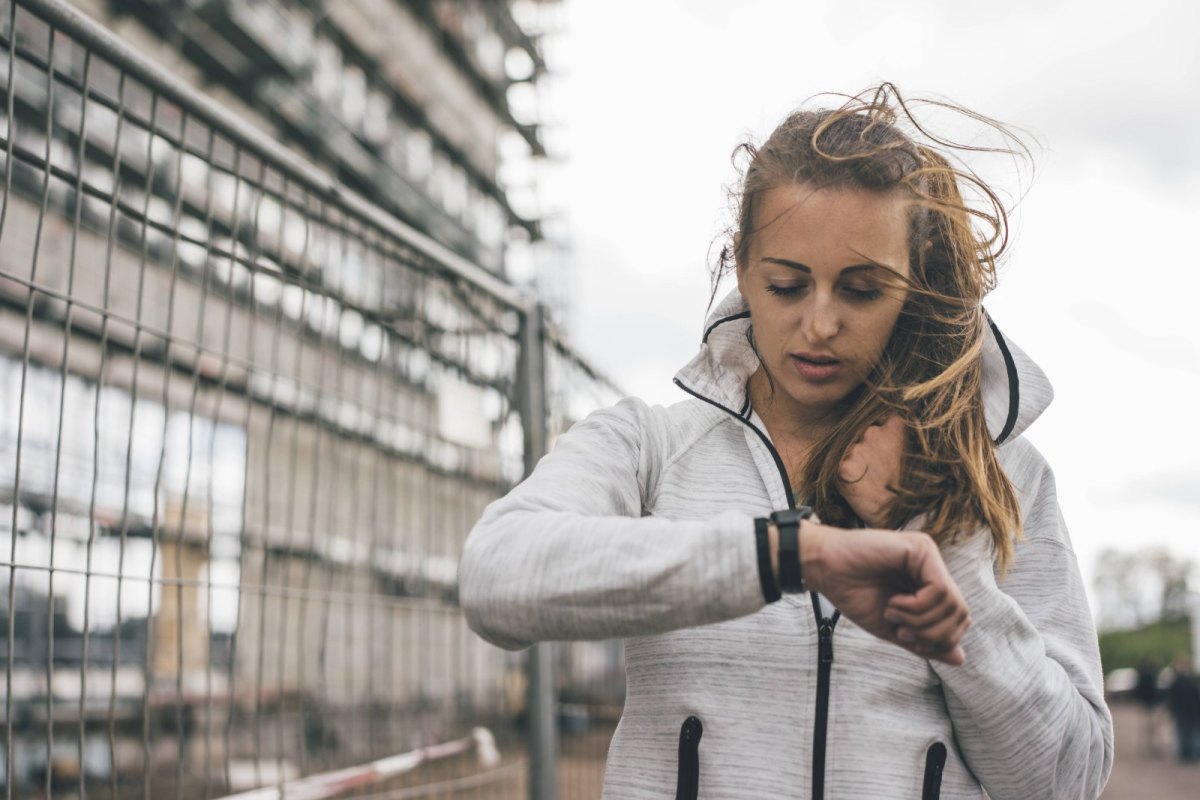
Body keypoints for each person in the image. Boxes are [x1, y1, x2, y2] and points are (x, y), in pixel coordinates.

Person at [458, 84, 1113, 799]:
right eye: (787, 285)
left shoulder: (1006, 475)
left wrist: (941, 548)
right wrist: (788, 554)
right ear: (742, 267)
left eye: (862, 290)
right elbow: (497, 577)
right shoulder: (648, 447)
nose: (820, 324)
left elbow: (1066, 778)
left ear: (914, 288)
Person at [1165, 655, 1200, 762]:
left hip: (1184, 711)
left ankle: (1186, 754)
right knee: (1190, 733)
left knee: (1184, 732)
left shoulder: (1176, 682)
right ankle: (1191, 753)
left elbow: (1171, 698)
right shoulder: (1192, 679)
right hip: (1190, 711)